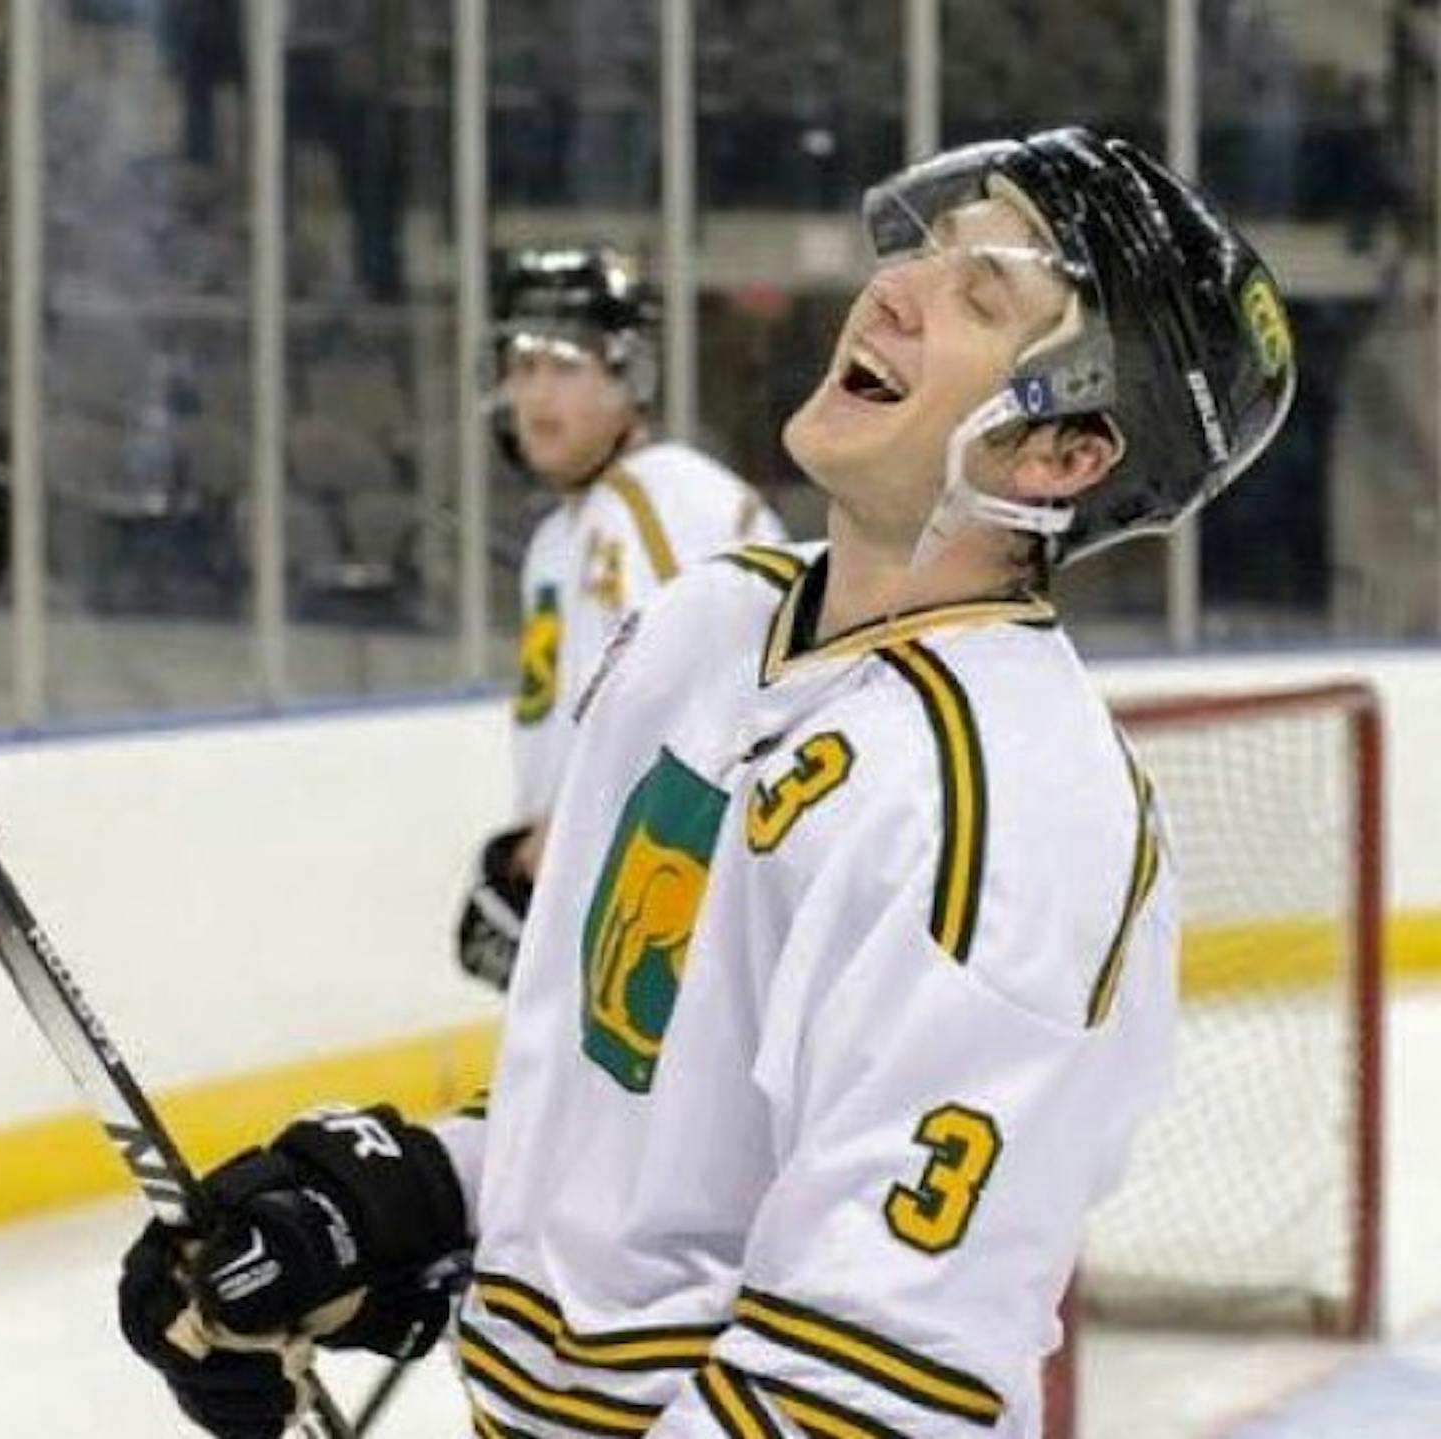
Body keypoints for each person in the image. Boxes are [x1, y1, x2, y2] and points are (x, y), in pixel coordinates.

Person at [118, 126, 1296, 1438]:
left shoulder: (1011, 814)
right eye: (929, 251)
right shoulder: (710, 624)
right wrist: (403, 1201)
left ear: (1062, 457)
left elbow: (871, 1384)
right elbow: (640, 1113)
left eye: (982, 295)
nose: (893, 288)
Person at [457, 245, 786, 992]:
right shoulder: (560, 535)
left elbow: (698, 709)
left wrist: (564, 842)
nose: (537, 395)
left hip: (676, 893)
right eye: (524, 365)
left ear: (629, 378)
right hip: (612, 880)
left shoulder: (663, 497)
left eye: (566, 367)